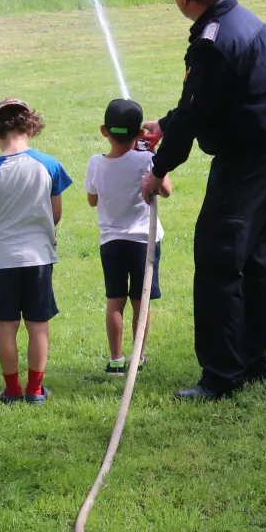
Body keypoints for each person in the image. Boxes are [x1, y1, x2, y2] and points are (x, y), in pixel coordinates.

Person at [141, 0, 266, 401]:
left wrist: (158, 170)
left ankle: (221, 376)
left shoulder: (212, 41)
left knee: (217, 262)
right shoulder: (243, 20)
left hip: (247, 163)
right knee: (256, 261)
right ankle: (254, 361)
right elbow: (209, 100)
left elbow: (195, 115)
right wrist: (163, 123)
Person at [0, 98, 72, 405]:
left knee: (6, 325)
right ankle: (36, 389)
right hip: (39, 256)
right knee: (38, 325)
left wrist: (1, 236)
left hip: (1, 258)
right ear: (31, 127)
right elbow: (56, 214)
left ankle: (12, 389)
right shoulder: (49, 165)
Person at [86, 99, 170, 375]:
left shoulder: (95, 163)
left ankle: (116, 360)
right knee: (140, 301)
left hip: (111, 242)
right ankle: (139, 357)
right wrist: (155, 156)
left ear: (104, 130)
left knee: (115, 301)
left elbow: (91, 199)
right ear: (139, 134)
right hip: (143, 243)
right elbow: (166, 190)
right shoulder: (146, 159)